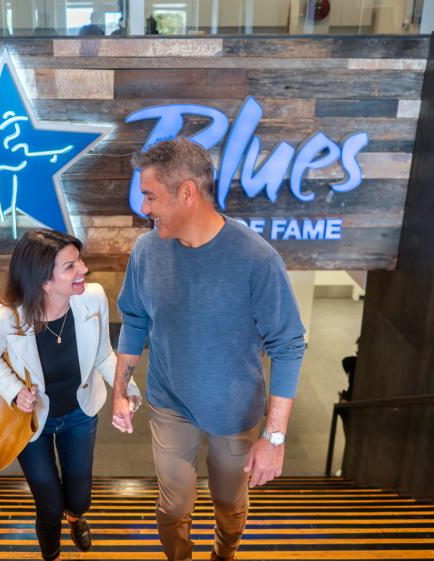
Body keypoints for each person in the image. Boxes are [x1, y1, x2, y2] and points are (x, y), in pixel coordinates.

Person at [110, 138, 306, 561]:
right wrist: (120, 390)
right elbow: (136, 318)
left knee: (230, 505)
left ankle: (224, 553)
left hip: (234, 412)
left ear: (187, 193)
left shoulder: (257, 259)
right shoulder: (146, 251)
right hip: (168, 402)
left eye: (150, 196)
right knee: (173, 506)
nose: (144, 207)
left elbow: (288, 346)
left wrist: (274, 437)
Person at [0, 229, 142, 561]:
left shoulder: (91, 298)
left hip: (80, 414)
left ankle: (77, 517)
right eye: (70, 266)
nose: (83, 269)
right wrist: (13, 391)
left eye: (79, 260)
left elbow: (102, 356)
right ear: (43, 281)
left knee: (79, 496)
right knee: (48, 503)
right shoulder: (5, 318)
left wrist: (126, 393)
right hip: (32, 421)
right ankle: (51, 554)